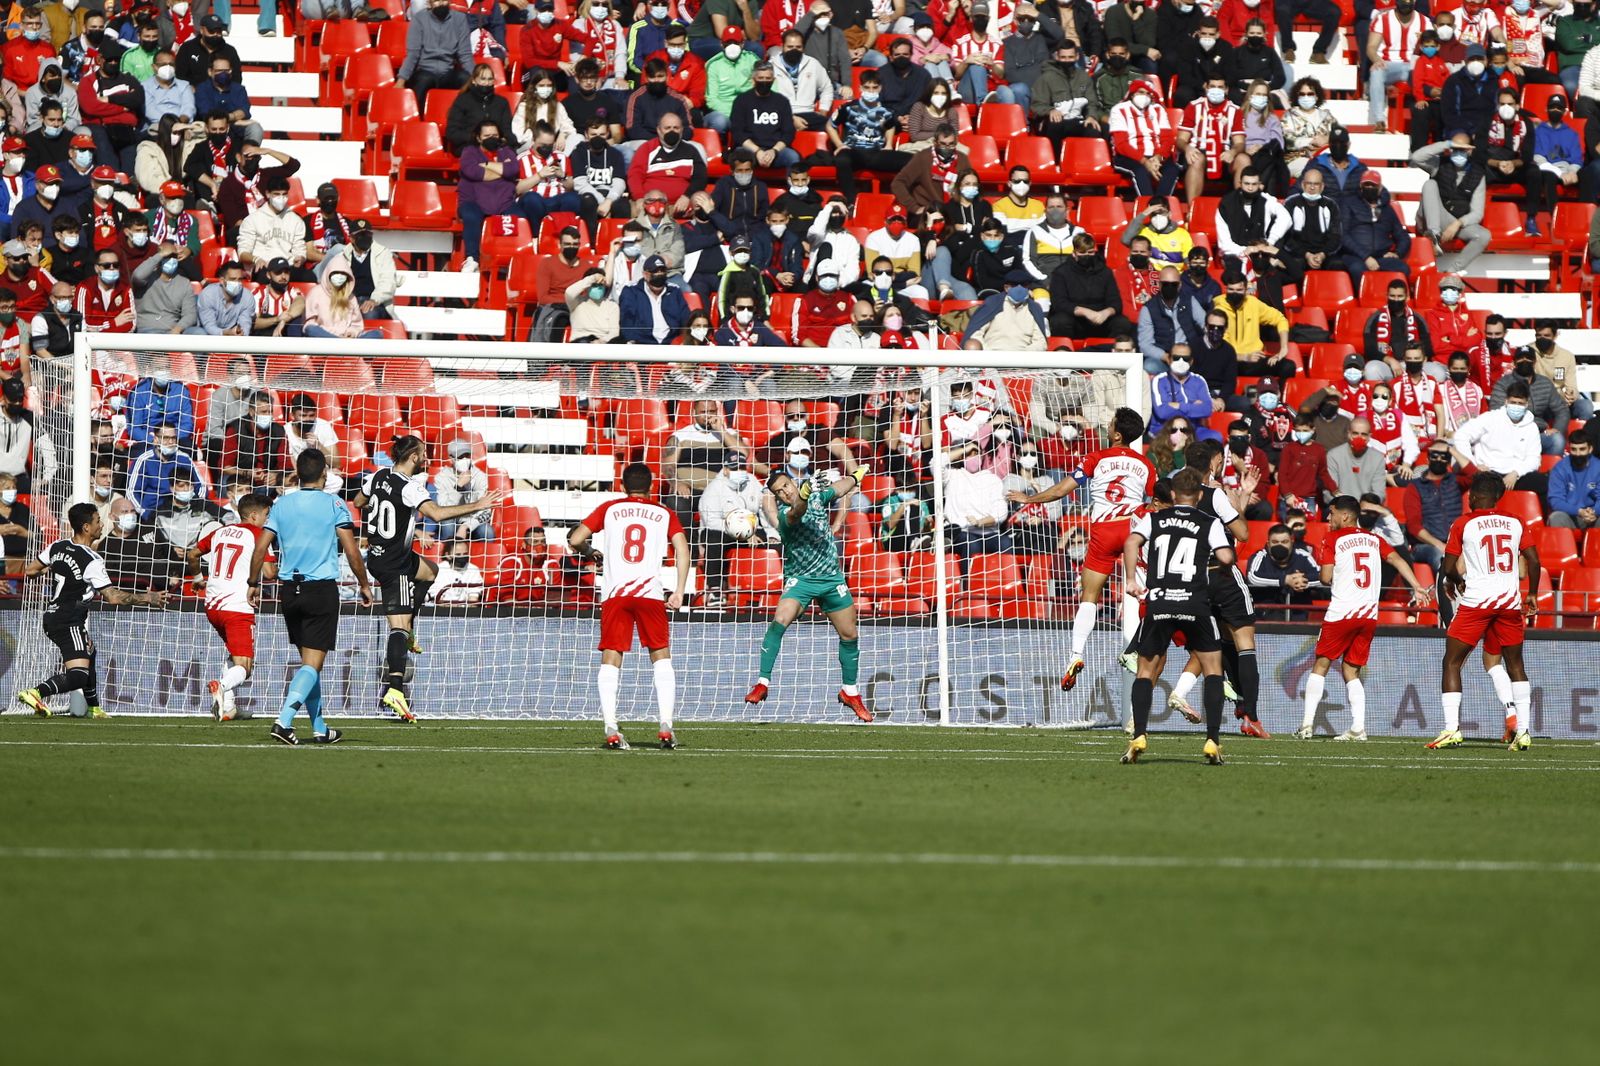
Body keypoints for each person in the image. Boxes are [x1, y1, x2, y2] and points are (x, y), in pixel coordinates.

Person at [353, 435, 507, 723]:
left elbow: (359, 501)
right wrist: (478, 504)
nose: (426, 458)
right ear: (413, 457)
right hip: (393, 563)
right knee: (397, 627)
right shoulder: (410, 488)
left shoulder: (378, 476)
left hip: (380, 553)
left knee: (431, 572)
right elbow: (436, 515)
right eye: (423, 454)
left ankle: (408, 629)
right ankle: (395, 689)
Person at [1010, 408, 1152, 691]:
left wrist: (1030, 498)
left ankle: (1076, 654)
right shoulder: (1146, 464)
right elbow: (1155, 501)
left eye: (1110, 424)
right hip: (1133, 530)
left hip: (1103, 530)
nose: (1107, 427)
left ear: (1117, 434)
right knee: (1143, 595)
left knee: (1089, 595)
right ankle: (1138, 650)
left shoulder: (1095, 458)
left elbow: (1061, 490)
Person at [246, 449, 371, 745]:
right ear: (325, 474)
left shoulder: (281, 505)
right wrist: (364, 584)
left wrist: (253, 582)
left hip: (289, 592)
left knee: (308, 663)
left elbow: (260, 547)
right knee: (312, 664)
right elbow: (352, 551)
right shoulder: (334, 504)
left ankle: (319, 727)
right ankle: (284, 721)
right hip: (320, 590)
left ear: (298, 474)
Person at [567, 462, 691, 749]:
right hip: (649, 593)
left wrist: (588, 551)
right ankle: (665, 725)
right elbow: (682, 549)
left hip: (615, 594)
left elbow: (575, 539)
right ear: (651, 487)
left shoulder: (610, 508)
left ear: (621, 486)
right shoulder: (664, 512)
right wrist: (680, 591)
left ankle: (611, 726)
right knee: (660, 656)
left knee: (612, 657)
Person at [1296, 495, 1432, 741]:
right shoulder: (1374, 539)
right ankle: (1358, 727)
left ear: (1345, 516)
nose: (1328, 518)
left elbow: (1326, 578)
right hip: (1368, 615)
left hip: (1341, 613)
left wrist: (1336, 576)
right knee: (1351, 669)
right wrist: (1417, 586)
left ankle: (1306, 725)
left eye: (1332, 513)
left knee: (1321, 665)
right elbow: (1397, 559)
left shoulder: (1332, 538)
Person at [1121, 466, 1233, 766]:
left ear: (1172, 494)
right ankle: (1212, 740)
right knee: (1212, 668)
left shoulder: (1154, 517)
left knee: (1146, 671)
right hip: (1194, 602)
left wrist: (1131, 580)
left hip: (1159, 602)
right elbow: (1226, 557)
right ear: (1199, 494)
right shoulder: (1209, 521)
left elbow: (1131, 542)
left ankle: (1140, 735)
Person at [746, 461, 874, 722]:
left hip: (830, 579)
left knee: (850, 634)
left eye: (786, 486)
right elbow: (797, 511)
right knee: (780, 620)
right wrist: (802, 494)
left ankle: (850, 691)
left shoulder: (815, 495)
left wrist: (856, 476)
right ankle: (762, 683)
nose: (785, 492)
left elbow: (838, 489)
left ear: (792, 482)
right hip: (801, 580)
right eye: (779, 492)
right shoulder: (785, 515)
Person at [15, 503, 168, 717]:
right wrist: (147, 598)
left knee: (90, 652)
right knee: (78, 675)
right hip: (69, 619)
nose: (102, 524)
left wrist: (56, 569)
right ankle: (35, 693)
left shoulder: (57, 547)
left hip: (52, 616)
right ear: (86, 527)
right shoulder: (92, 560)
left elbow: (31, 570)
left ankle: (94, 707)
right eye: (98, 521)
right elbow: (113, 597)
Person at [1433, 472, 1540, 751]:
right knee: (1516, 665)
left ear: (1479, 495)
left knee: (1452, 662)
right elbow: (1533, 560)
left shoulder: (1464, 522)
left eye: (1471, 494)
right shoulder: (1516, 521)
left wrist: (1456, 582)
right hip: (1508, 603)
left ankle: (1451, 730)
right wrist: (1531, 593)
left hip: (1478, 603)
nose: (1468, 497)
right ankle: (1525, 731)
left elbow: (1447, 567)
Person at [187, 494, 271, 721]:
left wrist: (197, 577)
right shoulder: (259, 535)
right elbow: (270, 573)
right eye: (266, 515)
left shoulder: (220, 531)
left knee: (233, 655)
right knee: (244, 667)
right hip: (237, 607)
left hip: (213, 606)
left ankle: (228, 708)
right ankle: (221, 686)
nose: (268, 520)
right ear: (254, 516)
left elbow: (192, 554)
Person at [398, 0, 475, 112]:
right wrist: (401, 80)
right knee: (424, 80)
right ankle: (416, 120)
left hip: (447, 72)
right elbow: (413, 54)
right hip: (424, 70)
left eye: (443, 0)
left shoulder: (460, 19)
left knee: (465, 79)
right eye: (437, 1)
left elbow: (465, 54)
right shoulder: (419, 19)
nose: (441, 4)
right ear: (429, 3)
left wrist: (475, 77)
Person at [1109, 78, 1180, 196]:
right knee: (1140, 170)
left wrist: (1158, 158)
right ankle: (1147, 206)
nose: (1145, 96)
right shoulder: (1119, 110)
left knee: (1172, 169)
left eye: (1148, 93)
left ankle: (1160, 205)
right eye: (1141, 92)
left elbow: (1167, 139)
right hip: (1129, 156)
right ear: (1132, 94)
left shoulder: (1158, 110)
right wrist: (1145, 162)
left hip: (1155, 156)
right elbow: (1121, 145)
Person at [1245, 523, 1322, 621]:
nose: (1280, 545)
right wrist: (1285, 580)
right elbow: (1252, 577)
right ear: (1268, 544)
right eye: (1275, 542)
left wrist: (1302, 581)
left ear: (1292, 542)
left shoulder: (1303, 555)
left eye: (1284, 542)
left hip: (1299, 611)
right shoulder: (1260, 556)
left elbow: (1321, 577)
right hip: (1267, 613)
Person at [1547, 436, 1600, 530]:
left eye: (1582, 449)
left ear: (1590, 449)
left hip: (1594, 516)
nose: (1578, 454)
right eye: (1574, 449)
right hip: (1571, 515)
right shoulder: (1560, 468)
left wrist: (1594, 511)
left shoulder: (1598, 467)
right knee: (1556, 517)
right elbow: (1556, 501)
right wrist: (1579, 511)